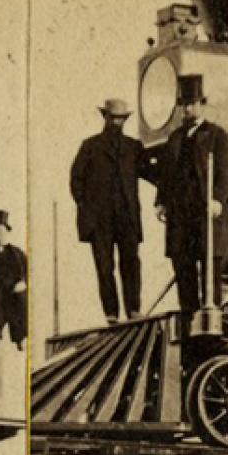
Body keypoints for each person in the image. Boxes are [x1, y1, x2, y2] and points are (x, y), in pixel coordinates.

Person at [153, 76, 228, 317]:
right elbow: (166, 174)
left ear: (203, 104)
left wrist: (218, 200)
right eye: (184, 104)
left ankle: (212, 321)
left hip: (205, 215)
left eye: (192, 103)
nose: (188, 109)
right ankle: (188, 320)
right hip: (180, 217)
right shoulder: (175, 138)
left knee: (210, 271)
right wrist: (161, 201)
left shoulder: (216, 135)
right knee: (183, 268)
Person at [69, 97, 147, 322]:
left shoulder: (134, 147)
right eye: (113, 118)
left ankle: (133, 310)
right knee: (105, 267)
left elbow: (150, 172)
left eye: (121, 118)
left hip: (127, 217)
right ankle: (111, 313)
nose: (116, 122)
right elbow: (76, 180)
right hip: (100, 220)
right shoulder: (90, 146)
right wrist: (88, 210)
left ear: (125, 120)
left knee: (131, 263)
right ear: (105, 117)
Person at [0, 209, 27, 346]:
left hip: (12, 287)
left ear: (7, 232)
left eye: (2, 230)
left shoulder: (17, 253)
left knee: (21, 297)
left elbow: (25, 271)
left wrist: (23, 282)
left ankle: (20, 338)